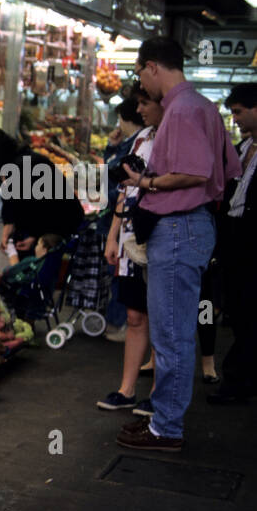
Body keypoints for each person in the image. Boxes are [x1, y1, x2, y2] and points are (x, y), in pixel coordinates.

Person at [116, 37, 240, 452]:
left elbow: (194, 171)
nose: (141, 86)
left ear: (153, 67)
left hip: (181, 225)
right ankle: (163, 416)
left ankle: (166, 428)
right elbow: (229, 167)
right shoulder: (203, 107)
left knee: (171, 334)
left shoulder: (183, 109)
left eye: (139, 74)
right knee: (174, 332)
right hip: (192, 225)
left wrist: (144, 182)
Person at [98, 86, 160, 412]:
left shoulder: (173, 137)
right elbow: (124, 189)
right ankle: (126, 390)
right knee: (135, 315)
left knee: (163, 318)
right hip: (131, 235)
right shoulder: (140, 140)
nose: (140, 109)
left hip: (161, 236)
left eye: (144, 103)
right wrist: (113, 236)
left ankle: (160, 395)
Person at [208, 85, 257, 404]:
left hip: (252, 241)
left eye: (239, 111)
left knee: (249, 310)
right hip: (233, 239)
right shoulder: (243, 147)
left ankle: (238, 382)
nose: (235, 118)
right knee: (238, 309)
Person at [0, 126, 84, 260]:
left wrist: (34, 235)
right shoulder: (12, 163)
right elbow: (11, 200)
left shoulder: (26, 166)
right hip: (45, 229)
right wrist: (9, 223)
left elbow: (45, 208)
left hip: (60, 230)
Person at [101, 100, 146, 339]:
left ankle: (119, 322)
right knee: (117, 271)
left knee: (120, 273)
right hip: (115, 217)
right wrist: (111, 147)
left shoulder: (139, 145)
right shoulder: (129, 144)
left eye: (119, 118)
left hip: (124, 219)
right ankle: (119, 321)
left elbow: (120, 185)